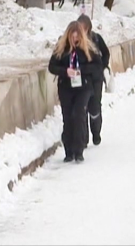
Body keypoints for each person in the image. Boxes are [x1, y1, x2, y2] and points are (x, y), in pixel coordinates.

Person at [47, 21, 101, 163]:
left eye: (77, 37)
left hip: (83, 87)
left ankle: (79, 149)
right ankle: (69, 151)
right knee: (68, 117)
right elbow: (52, 67)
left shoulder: (88, 49)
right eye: (72, 37)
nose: (75, 40)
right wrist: (66, 71)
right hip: (66, 87)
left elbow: (97, 66)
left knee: (79, 115)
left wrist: (81, 70)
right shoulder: (61, 49)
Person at [77, 14, 111, 146]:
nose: (81, 31)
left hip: (96, 79)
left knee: (95, 105)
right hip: (82, 79)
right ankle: (84, 138)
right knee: (82, 107)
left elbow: (106, 53)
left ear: (89, 28)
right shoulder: (76, 40)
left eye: (84, 28)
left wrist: (102, 66)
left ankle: (96, 132)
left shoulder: (96, 38)